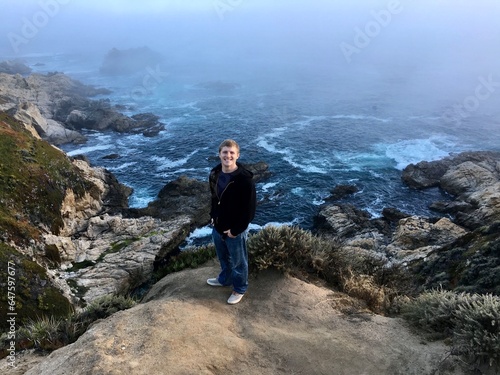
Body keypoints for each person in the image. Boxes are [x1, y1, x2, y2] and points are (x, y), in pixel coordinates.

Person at [207, 139, 256, 305]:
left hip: (234, 230)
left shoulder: (244, 180)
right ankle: (225, 279)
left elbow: (249, 211)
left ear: (237, 155)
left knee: (238, 262)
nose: (228, 155)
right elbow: (214, 199)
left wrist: (235, 230)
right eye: (225, 152)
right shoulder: (214, 174)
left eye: (231, 152)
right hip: (218, 227)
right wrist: (213, 216)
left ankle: (239, 288)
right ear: (219, 154)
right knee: (223, 258)